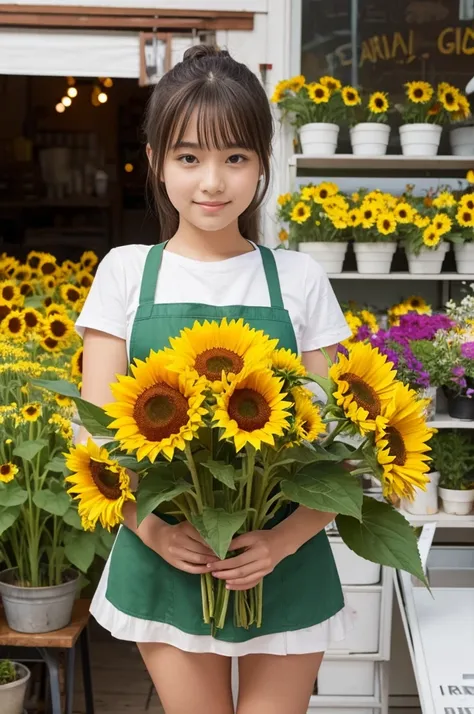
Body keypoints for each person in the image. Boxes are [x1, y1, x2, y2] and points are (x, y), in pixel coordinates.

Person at [75, 45, 353, 714]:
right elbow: (96, 443)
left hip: (281, 561)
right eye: (189, 157)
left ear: (262, 165)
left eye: (235, 158)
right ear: (155, 162)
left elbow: (340, 451)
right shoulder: (125, 273)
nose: (212, 182)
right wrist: (157, 533)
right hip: (167, 556)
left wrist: (281, 541)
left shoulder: (301, 279)